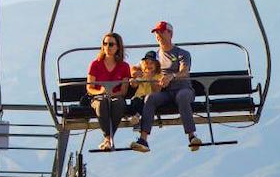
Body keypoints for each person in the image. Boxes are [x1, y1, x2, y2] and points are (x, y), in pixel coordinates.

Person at [133, 20, 203, 153]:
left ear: (170, 34)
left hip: (183, 89)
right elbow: (137, 67)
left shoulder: (182, 53)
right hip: (165, 92)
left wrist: (172, 76)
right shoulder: (155, 56)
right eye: (156, 33)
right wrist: (137, 74)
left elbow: (184, 71)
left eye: (161, 32)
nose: (158, 36)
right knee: (150, 98)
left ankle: (192, 136)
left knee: (182, 97)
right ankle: (143, 140)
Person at [85, 32, 131, 151]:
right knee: (102, 103)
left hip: (116, 97)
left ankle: (108, 138)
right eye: (105, 44)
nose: (107, 47)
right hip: (98, 97)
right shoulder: (95, 64)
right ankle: (108, 137)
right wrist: (100, 91)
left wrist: (112, 94)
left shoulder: (124, 66)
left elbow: (123, 90)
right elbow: (90, 88)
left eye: (111, 44)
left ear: (117, 47)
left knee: (119, 104)